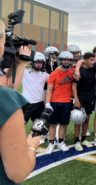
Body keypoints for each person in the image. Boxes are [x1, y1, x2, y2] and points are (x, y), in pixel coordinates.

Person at [0, 19, 41, 184]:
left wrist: (20, 64)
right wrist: (31, 146)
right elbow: (18, 173)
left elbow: (6, 87)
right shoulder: (6, 100)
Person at [45, 51, 75, 155]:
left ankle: (61, 142)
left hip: (66, 102)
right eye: (64, 59)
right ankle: (51, 143)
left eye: (68, 60)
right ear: (60, 60)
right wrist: (47, 103)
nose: (66, 61)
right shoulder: (53, 74)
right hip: (54, 102)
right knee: (52, 124)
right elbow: (49, 90)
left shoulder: (72, 73)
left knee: (63, 124)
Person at [72, 52, 96, 151]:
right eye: (91, 60)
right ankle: (76, 141)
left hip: (89, 99)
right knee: (78, 120)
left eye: (94, 60)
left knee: (86, 119)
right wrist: (76, 100)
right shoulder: (79, 71)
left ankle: (84, 139)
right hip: (80, 99)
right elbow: (74, 87)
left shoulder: (94, 68)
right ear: (85, 61)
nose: (93, 62)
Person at [22, 52, 49, 133]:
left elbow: (56, 79)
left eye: (41, 63)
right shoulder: (25, 72)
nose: (39, 65)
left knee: (37, 127)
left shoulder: (45, 75)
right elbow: (7, 69)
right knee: (22, 125)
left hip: (39, 104)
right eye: (37, 62)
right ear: (32, 62)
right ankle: (20, 143)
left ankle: (33, 141)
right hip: (26, 104)